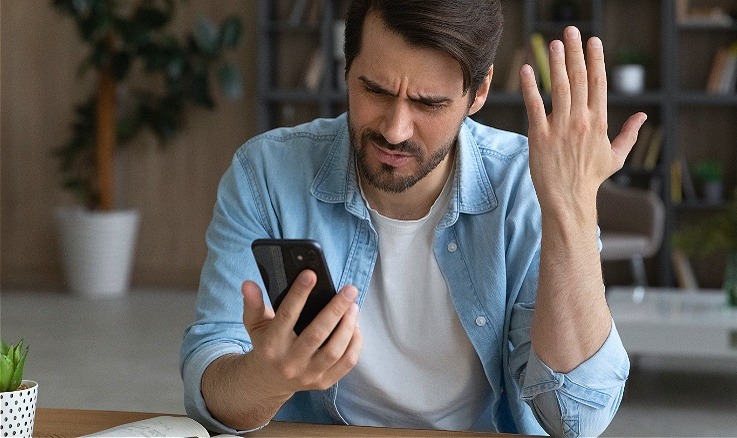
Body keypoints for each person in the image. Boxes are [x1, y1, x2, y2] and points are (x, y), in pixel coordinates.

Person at [180, 0, 645, 436]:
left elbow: (576, 419)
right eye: (375, 90)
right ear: (347, 69)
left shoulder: (526, 187)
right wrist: (265, 379)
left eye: (429, 104)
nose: (394, 129)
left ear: (478, 92)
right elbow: (210, 387)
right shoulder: (265, 173)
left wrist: (573, 209)